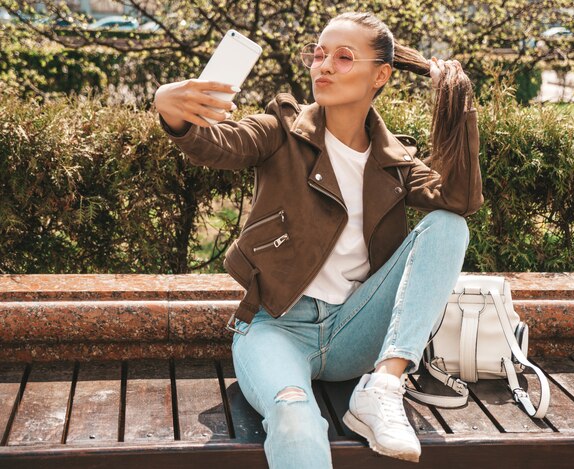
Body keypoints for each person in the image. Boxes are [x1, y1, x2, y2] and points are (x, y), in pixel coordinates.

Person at [154, 11, 482, 468]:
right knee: (293, 415)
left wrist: (458, 103)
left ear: (380, 76)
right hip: (276, 329)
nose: (323, 66)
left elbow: (459, 200)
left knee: (449, 225)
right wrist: (170, 106)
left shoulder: (394, 161)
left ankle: (385, 385)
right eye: (319, 54)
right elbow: (218, 144)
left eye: (343, 58)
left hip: (355, 333)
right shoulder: (280, 131)